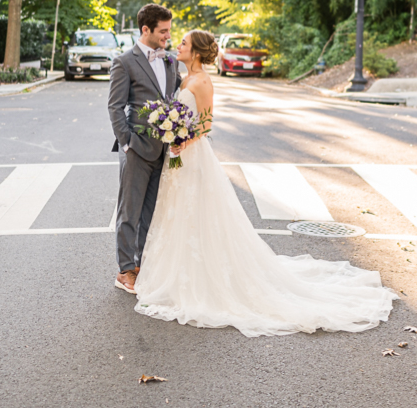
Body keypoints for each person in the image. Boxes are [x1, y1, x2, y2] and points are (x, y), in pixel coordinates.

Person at [132, 29, 397, 337]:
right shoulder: (183, 78)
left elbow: (205, 124)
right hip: (178, 158)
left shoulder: (202, 81)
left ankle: (203, 277)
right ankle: (177, 275)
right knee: (179, 215)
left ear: (198, 52)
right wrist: (171, 133)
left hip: (193, 156)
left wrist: (182, 141)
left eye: (184, 43)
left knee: (198, 215)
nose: (178, 45)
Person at [107, 3, 182, 294]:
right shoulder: (124, 62)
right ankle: (125, 270)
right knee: (129, 212)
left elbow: (176, 96)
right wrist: (126, 144)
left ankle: (143, 265)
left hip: (163, 150)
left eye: (169, 31)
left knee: (150, 212)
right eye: (163, 31)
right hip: (137, 149)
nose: (167, 36)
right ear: (145, 30)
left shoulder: (171, 61)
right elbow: (115, 106)